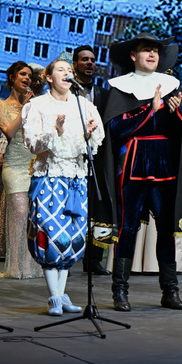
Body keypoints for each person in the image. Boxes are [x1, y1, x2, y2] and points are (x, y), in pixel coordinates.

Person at [97, 32, 182, 311]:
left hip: (165, 166)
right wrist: (150, 110)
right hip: (132, 166)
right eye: (146, 50)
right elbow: (114, 129)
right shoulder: (119, 88)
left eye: (155, 51)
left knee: (167, 229)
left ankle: (170, 291)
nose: (152, 55)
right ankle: (119, 292)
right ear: (133, 56)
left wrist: (174, 113)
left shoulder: (171, 86)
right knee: (127, 228)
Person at [22, 59, 105, 315]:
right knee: (50, 234)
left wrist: (88, 136)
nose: (67, 74)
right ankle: (55, 296)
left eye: (70, 71)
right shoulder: (37, 105)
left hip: (77, 179)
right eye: (61, 70)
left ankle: (60, 293)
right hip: (49, 176)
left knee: (72, 235)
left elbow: (95, 143)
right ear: (48, 77)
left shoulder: (84, 105)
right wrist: (55, 132)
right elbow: (32, 144)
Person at [0, 61, 43, 280]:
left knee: (34, 216)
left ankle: (32, 265)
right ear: (12, 77)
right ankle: (14, 266)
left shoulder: (37, 105)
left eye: (30, 76)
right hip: (14, 165)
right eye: (22, 74)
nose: (27, 78)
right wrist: (25, 108)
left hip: (33, 163)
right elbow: (9, 132)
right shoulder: (0, 105)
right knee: (19, 212)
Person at [72, 45, 111, 276]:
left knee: (98, 209)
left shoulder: (105, 94)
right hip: (72, 159)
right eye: (85, 60)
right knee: (74, 209)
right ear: (75, 64)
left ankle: (94, 259)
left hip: (98, 161)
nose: (90, 63)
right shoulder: (66, 93)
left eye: (93, 60)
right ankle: (66, 256)